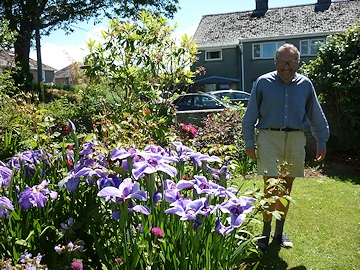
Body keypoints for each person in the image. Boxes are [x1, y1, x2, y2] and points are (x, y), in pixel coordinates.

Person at [242, 43, 330, 250]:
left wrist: (322, 141)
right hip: (268, 138)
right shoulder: (263, 83)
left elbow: (315, 115)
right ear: (275, 62)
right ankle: (265, 233)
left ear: (298, 62)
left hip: (295, 139)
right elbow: (250, 117)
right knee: (270, 188)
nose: (286, 67)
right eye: (282, 62)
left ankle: (279, 233)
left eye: (291, 62)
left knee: (286, 189)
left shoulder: (305, 84)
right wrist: (249, 143)